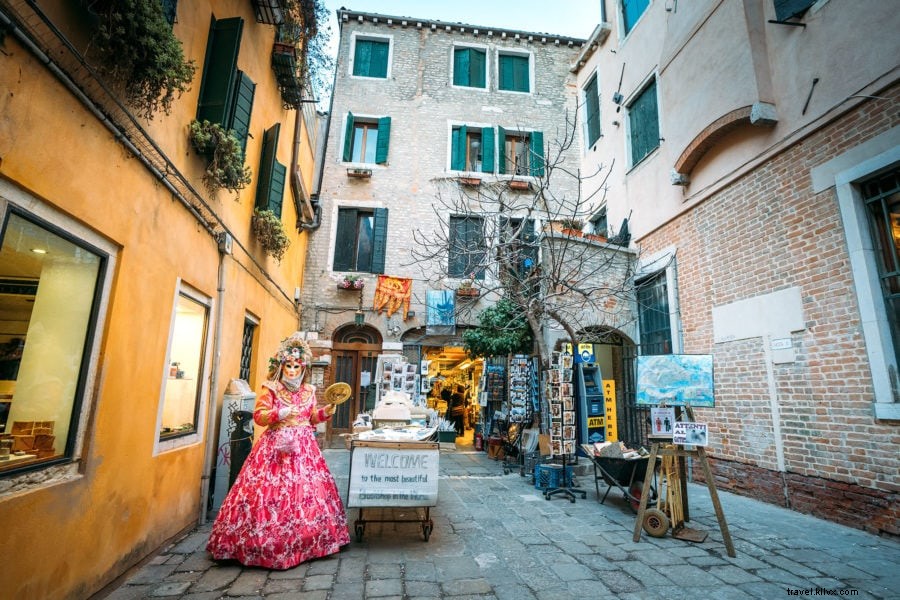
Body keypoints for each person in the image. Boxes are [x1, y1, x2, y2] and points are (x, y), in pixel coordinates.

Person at [207, 334, 350, 569]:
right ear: (281, 366)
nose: (292, 371)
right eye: (289, 366)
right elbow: (259, 416)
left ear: (304, 367)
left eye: (297, 366)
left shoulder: (309, 391)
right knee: (268, 494)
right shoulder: (271, 389)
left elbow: (312, 417)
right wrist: (277, 414)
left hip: (304, 449)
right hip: (274, 449)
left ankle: (306, 542)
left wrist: (326, 411)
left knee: (306, 492)